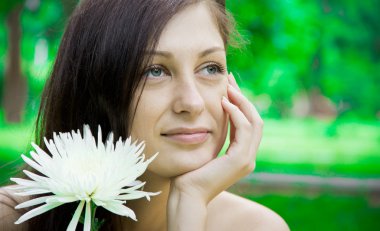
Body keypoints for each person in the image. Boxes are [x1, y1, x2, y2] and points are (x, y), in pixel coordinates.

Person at [0, 0, 289, 230]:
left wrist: (189, 201)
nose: (192, 102)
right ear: (96, 86)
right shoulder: (14, 219)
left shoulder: (258, 227)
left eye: (210, 68)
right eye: (155, 71)